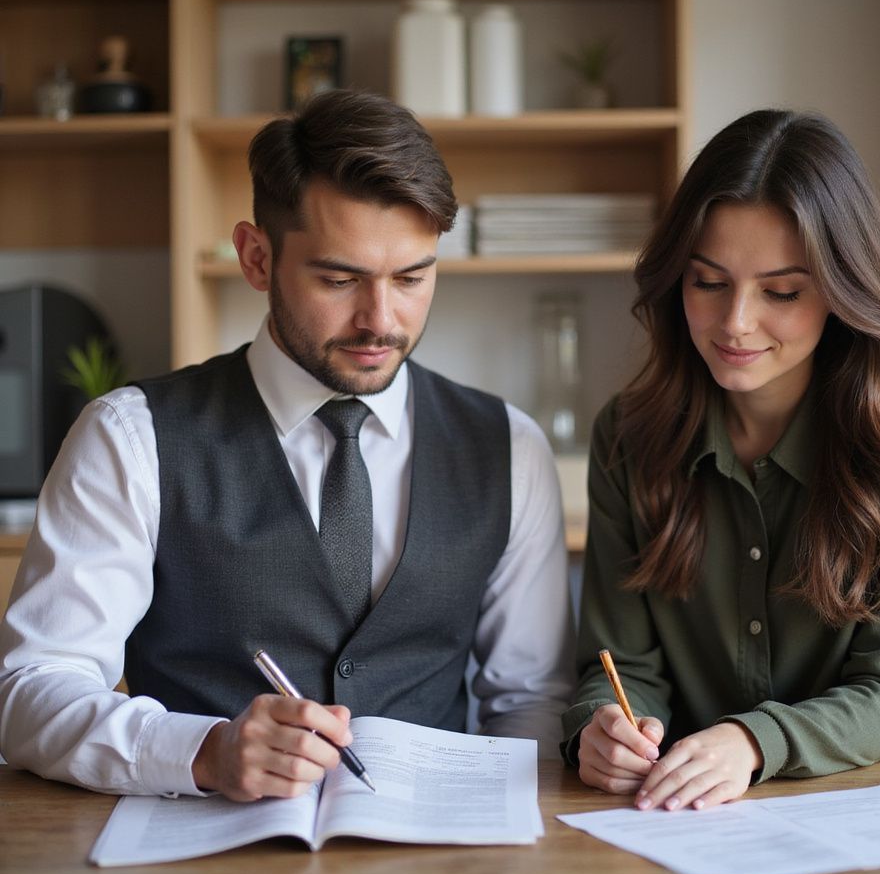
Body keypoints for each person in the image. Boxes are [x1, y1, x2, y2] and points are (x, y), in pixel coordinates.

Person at [0, 88, 575, 800]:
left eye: (413, 278)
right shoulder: (130, 437)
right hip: (199, 869)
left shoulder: (508, 447)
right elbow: (32, 689)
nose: (381, 320)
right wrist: (202, 752)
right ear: (256, 258)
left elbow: (531, 701)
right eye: (340, 279)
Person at [562, 108, 880, 813]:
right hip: (700, 819)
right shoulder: (629, 436)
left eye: (781, 291)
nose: (736, 321)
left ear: (840, 290)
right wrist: (603, 726)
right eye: (707, 282)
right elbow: (619, 665)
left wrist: (753, 741)